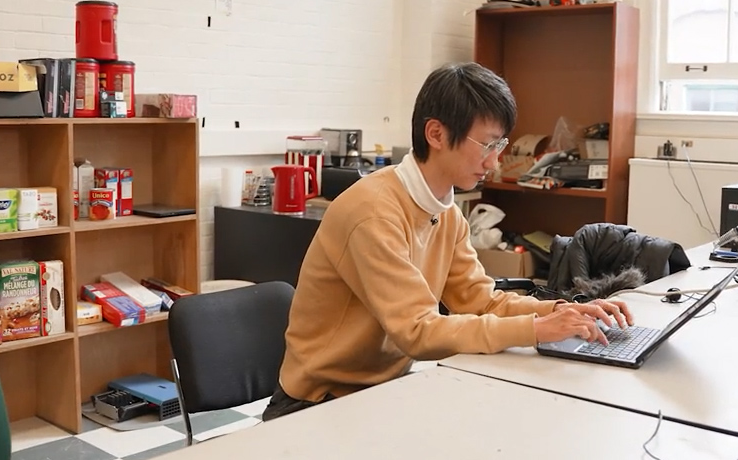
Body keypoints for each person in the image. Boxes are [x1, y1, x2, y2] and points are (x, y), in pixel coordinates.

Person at [262, 62, 635, 422]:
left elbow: (479, 300)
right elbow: (418, 331)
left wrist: (558, 312)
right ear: (436, 134)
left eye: (500, 145)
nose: (493, 162)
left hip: (383, 390)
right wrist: (535, 330)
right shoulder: (374, 212)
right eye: (487, 145)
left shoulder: (447, 211)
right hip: (318, 403)